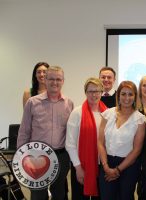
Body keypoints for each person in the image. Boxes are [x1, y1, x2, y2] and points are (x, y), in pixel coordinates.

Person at [17, 66, 73, 200]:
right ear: (45, 80)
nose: (55, 82)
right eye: (51, 79)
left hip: (61, 156)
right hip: (36, 156)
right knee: (38, 195)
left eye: (58, 79)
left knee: (59, 194)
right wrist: (22, 157)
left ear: (63, 81)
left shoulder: (69, 103)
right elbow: (24, 131)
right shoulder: (32, 102)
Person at [98, 81, 146, 200]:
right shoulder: (107, 114)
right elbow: (100, 142)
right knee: (106, 197)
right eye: (123, 94)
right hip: (106, 163)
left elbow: (137, 150)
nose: (127, 98)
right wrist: (106, 167)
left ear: (135, 96)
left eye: (130, 94)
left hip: (129, 166)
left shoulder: (140, 119)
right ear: (118, 95)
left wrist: (117, 170)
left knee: (125, 197)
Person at [66, 77, 107, 199]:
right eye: (90, 91)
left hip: (101, 166)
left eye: (97, 91)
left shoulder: (108, 113)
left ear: (101, 92)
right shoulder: (77, 113)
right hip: (81, 164)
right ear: (85, 92)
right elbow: (70, 144)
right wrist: (78, 168)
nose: (94, 94)